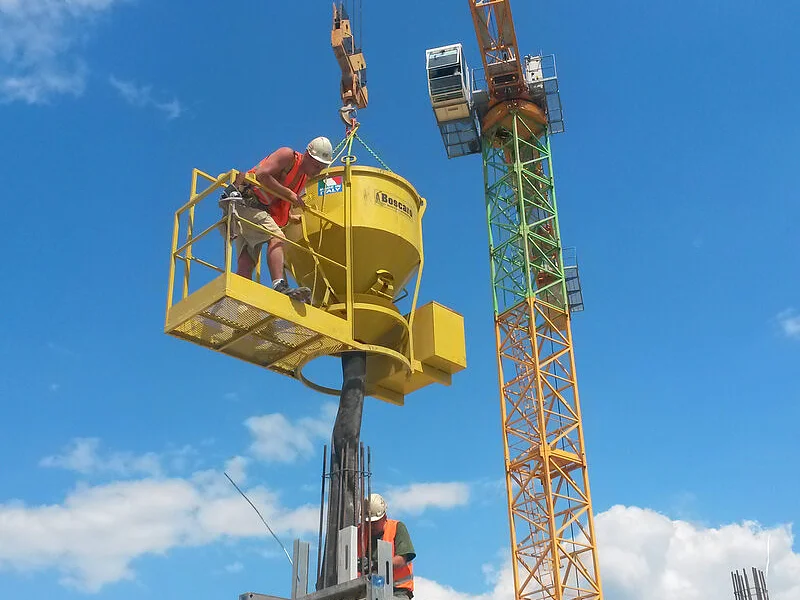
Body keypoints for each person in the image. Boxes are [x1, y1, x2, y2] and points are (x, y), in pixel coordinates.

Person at [220, 137, 333, 301]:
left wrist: (288, 216)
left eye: (321, 168)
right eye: (316, 165)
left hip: (251, 208)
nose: (317, 171)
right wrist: (290, 195)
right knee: (277, 237)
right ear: (307, 155)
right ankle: (279, 286)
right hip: (246, 201)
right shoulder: (288, 156)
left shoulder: (303, 177)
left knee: (248, 258)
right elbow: (262, 175)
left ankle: (238, 299)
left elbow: (277, 199)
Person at [361, 493, 416, 599]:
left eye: (375, 522)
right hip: (369, 590)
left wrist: (375, 564)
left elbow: (402, 558)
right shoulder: (360, 533)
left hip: (398, 592)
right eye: (368, 522)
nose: (371, 526)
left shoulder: (397, 528)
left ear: (384, 517)